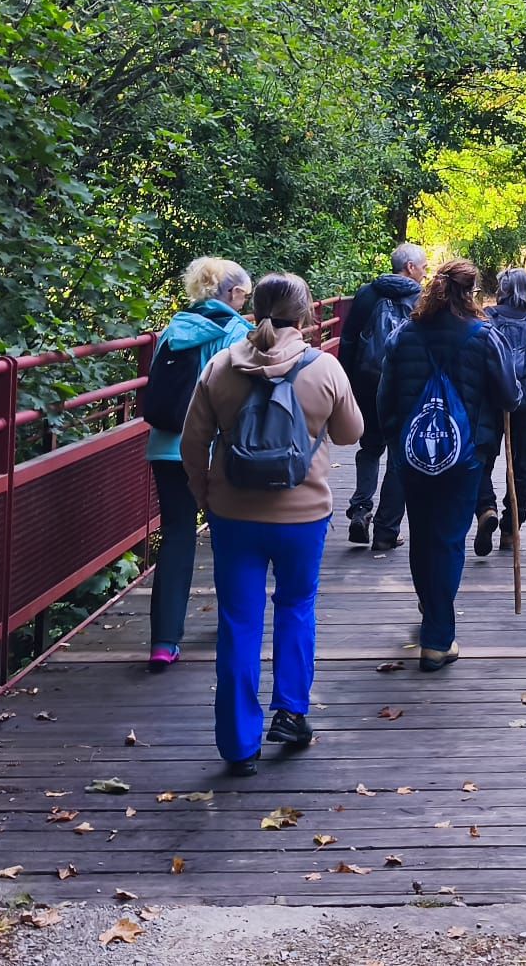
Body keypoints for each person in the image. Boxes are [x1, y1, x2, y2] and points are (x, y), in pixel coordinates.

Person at [180, 274, 363, 774]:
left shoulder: (220, 366)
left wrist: (206, 494)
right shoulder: (323, 367)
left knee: (238, 621)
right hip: (303, 516)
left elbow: (191, 443)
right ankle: (290, 712)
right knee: (296, 607)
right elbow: (351, 434)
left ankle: (239, 744)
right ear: (304, 317)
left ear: (254, 309)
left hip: (234, 514)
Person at [375, 258, 512, 670]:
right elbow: (510, 394)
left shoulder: (405, 334)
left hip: (413, 456)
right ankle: (437, 637)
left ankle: (430, 606)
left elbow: (384, 399)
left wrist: (397, 443)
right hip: (465, 457)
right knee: (450, 539)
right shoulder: (485, 336)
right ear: (470, 292)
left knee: (422, 536)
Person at [141, 257, 252, 671]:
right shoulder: (238, 332)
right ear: (234, 294)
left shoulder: (174, 329)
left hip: (166, 448)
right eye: (245, 294)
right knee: (229, 535)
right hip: (212, 451)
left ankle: (163, 642)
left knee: (176, 536)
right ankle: (231, 623)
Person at [336, 243, 427, 550]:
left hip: (366, 382)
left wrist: (346, 382)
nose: (426, 273)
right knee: (399, 455)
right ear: (411, 268)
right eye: (424, 267)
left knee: (370, 446)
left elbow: (348, 340)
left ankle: (360, 509)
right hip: (405, 386)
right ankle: (387, 530)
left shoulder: (367, 294)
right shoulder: (421, 299)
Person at [476, 266, 526, 555]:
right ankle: (510, 526)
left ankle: (485, 507)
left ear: (502, 290)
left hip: (488, 400)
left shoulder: (483, 319)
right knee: (521, 464)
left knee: (481, 456)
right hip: (524, 402)